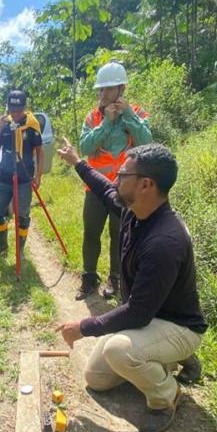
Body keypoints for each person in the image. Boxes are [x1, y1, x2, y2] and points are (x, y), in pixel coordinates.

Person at [56, 141, 207, 432]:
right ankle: (168, 358)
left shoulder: (165, 241)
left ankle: (166, 396)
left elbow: (137, 313)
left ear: (146, 184)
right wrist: (77, 162)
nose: (116, 179)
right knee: (96, 378)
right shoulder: (134, 210)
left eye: (123, 175)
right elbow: (104, 189)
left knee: (119, 350)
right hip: (151, 319)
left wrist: (82, 327)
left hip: (178, 326)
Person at [77, 62, 152, 301]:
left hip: (125, 190)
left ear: (121, 89)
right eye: (100, 90)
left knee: (119, 235)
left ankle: (115, 279)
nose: (102, 94)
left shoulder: (137, 113)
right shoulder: (93, 117)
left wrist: (127, 116)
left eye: (107, 89)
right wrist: (106, 123)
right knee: (91, 233)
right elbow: (85, 146)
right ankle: (89, 277)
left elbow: (147, 143)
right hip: (96, 189)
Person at [0, 90, 43, 259]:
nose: (15, 112)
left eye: (18, 109)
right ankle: (2, 246)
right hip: (4, 177)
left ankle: (20, 251)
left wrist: (38, 176)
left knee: (22, 215)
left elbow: (40, 153)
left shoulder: (32, 125)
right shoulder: (4, 124)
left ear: (24, 107)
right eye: (12, 108)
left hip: (25, 178)